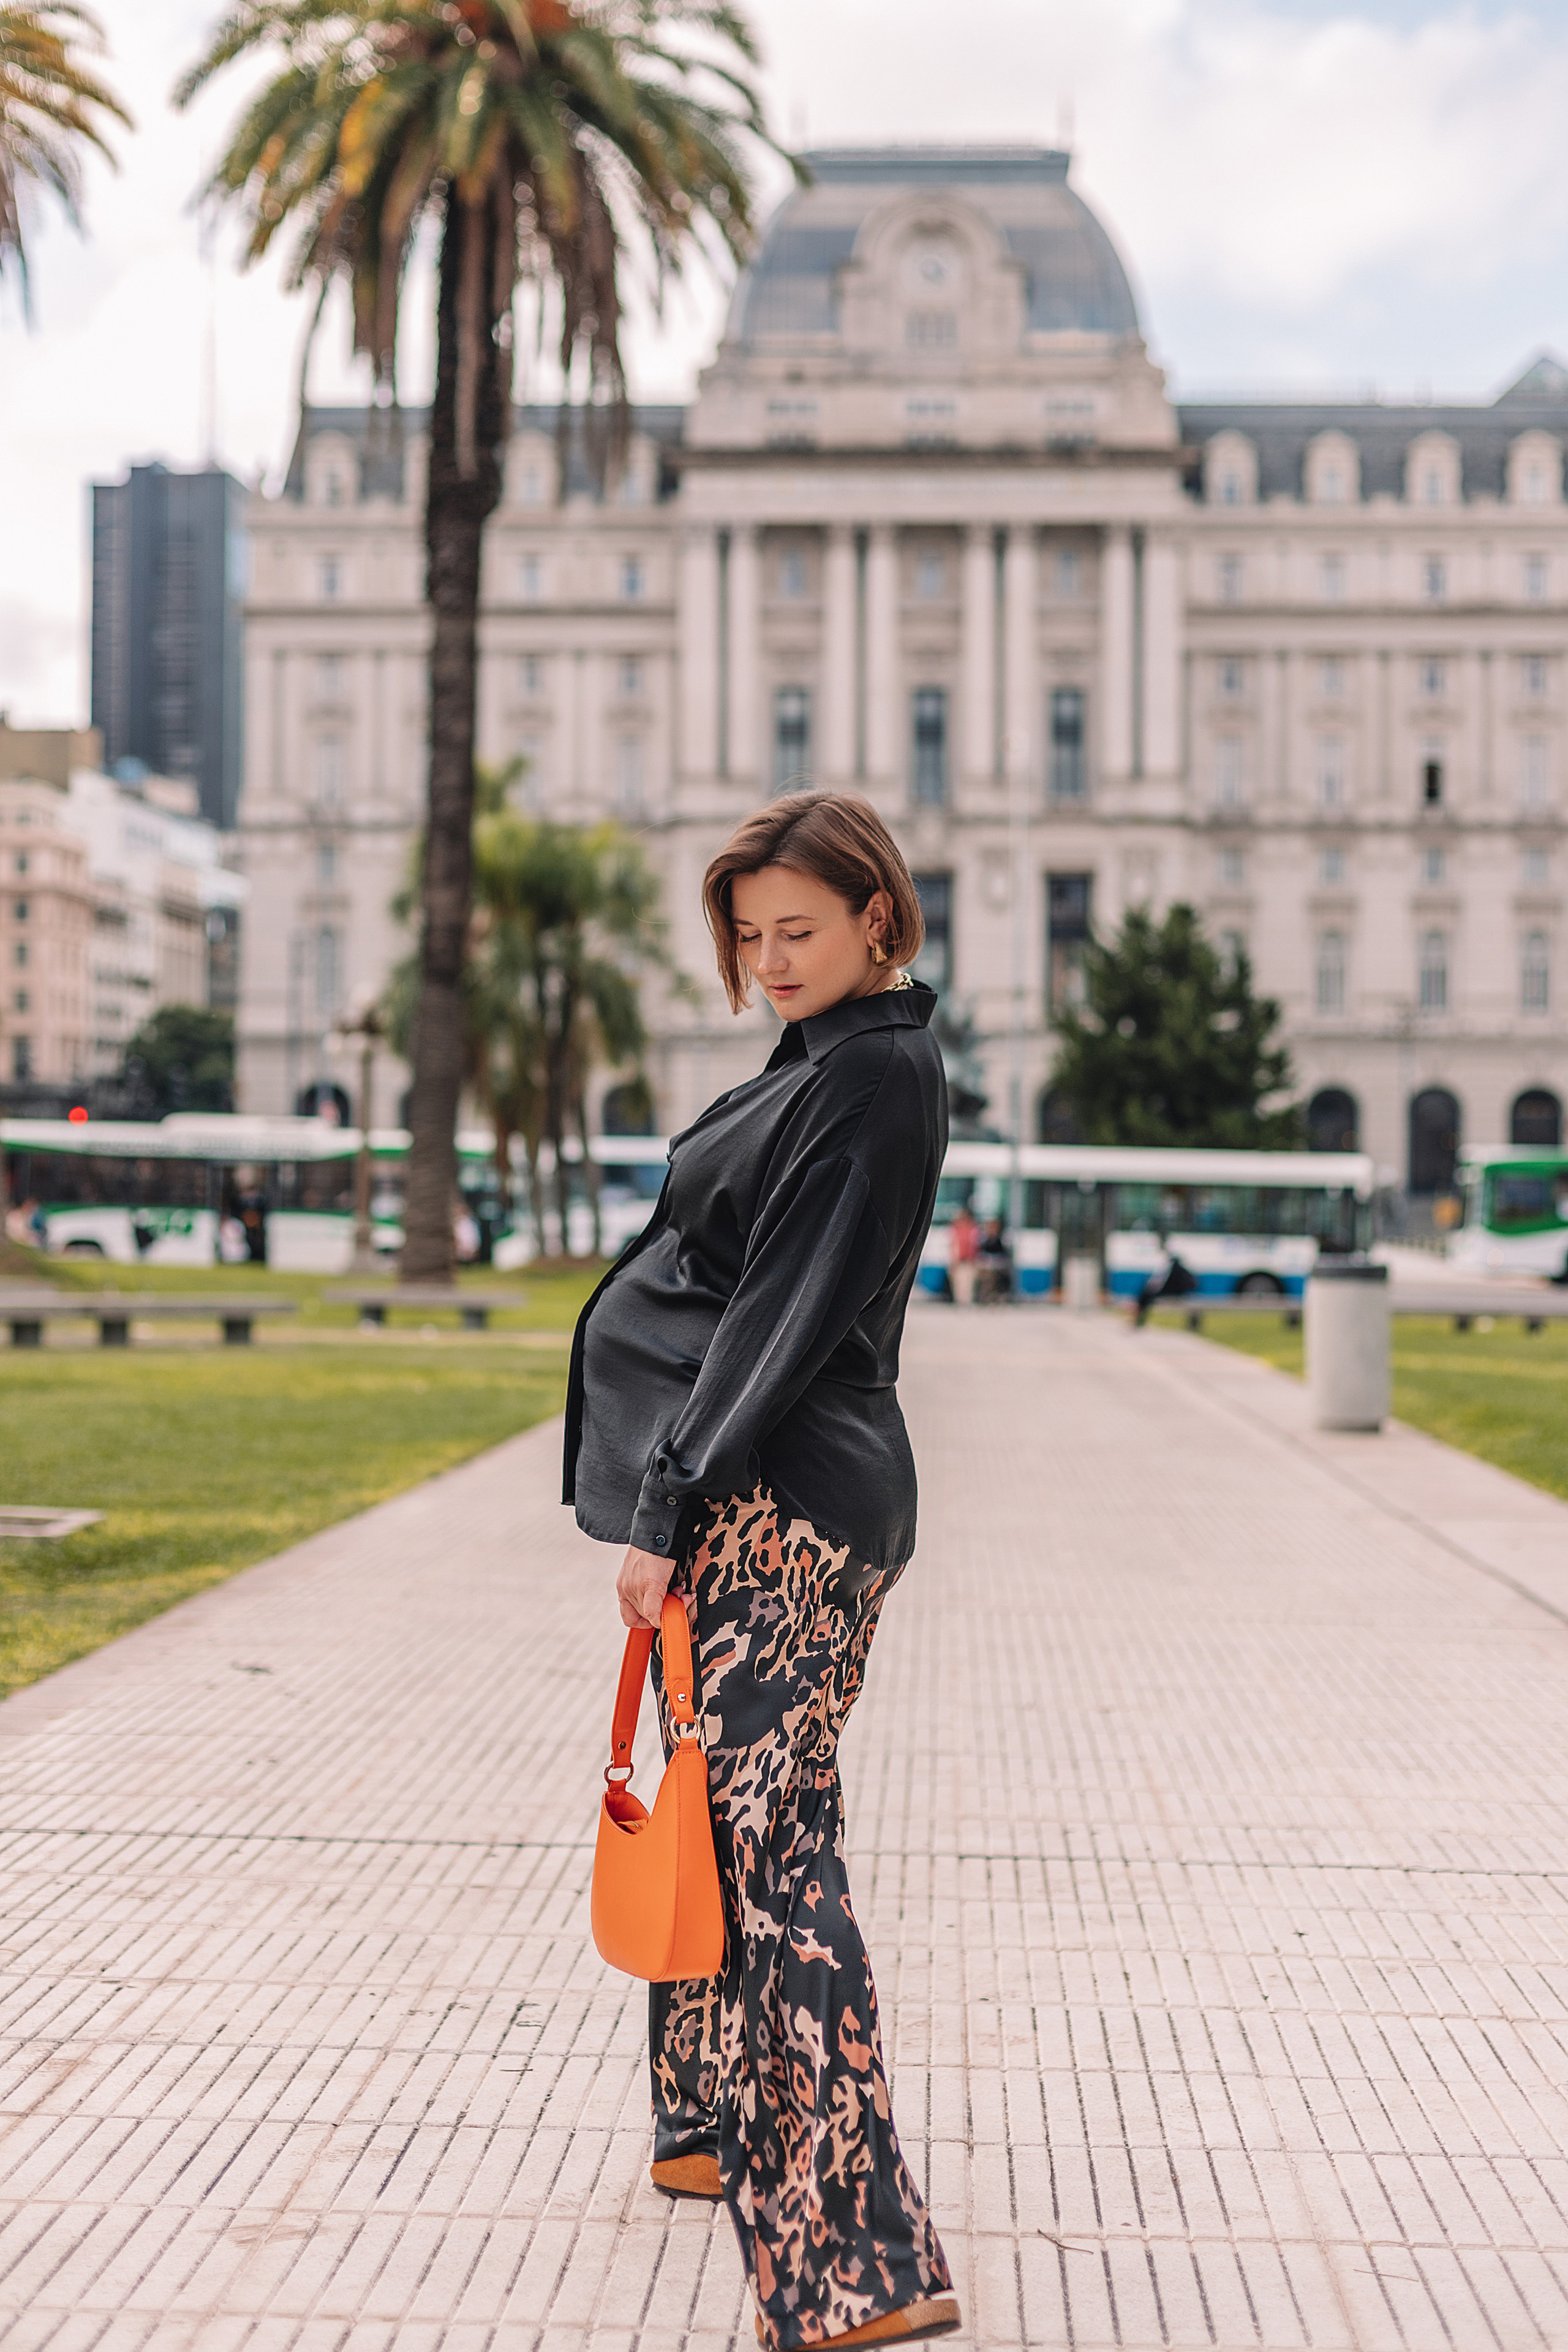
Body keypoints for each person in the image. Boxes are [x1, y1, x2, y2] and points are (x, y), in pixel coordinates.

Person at [564, 791, 959, 2350]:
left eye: (799, 928)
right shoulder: (817, 1062)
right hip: (760, 1500)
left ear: (879, 917)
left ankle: (858, 2257)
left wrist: (668, 1503)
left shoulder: (871, 1074)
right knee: (718, 1817)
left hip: (778, 1506)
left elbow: (777, 1318)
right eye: (748, 933)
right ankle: (703, 2118)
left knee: (768, 1847)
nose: (771, 956)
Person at [1134, 1235, 1197, 1327]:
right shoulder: (1175, 1268)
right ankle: (1138, 1319)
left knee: (1145, 1295)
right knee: (1146, 1295)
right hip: (1174, 1291)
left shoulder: (1176, 1270)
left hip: (1175, 1292)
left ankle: (1139, 1319)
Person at [946, 1200, 979, 1305]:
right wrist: (953, 1260)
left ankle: (967, 1302)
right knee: (958, 1283)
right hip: (958, 1260)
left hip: (969, 1260)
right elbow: (953, 1246)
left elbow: (974, 1246)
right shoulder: (955, 1229)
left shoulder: (973, 1229)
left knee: (968, 1283)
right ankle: (960, 1302)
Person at [974, 1214, 1013, 1303]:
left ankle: (996, 1296)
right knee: (987, 1276)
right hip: (987, 1267)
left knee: (994, 1277)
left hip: (1000, 1268)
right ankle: (985, 1297)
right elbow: (980, 1255)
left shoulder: (1004, 1239)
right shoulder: (984, 1239)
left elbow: (1006, 1257)